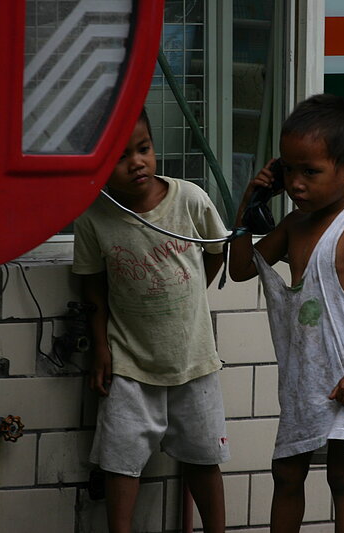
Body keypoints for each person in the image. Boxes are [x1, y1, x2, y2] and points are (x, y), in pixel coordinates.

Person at [229, 93, 344, 533]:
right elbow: (242, 268)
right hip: (303, 381)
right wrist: (251, 199)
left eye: (310, 171)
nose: (296, 183)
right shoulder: (292, 227)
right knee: (286, 474)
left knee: (343, 479)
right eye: (287, 170)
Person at [72, 109, 229, 533]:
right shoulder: (93, 218)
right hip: (129, 364)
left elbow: (216, 252)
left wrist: (193, 292)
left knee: (203, 458)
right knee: (121, 462)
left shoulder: (189, 199)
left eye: (144, 149)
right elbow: (91, 286)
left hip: (194, 360)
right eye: (122, 156)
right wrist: (101, 349)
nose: (137, 162)